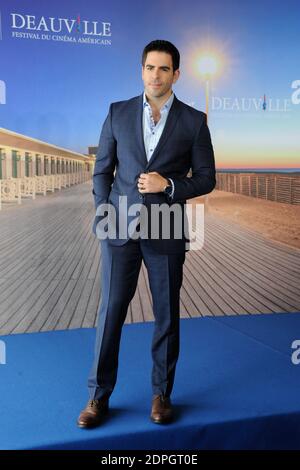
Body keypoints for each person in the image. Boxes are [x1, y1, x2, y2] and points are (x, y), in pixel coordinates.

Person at [77, 39, 216, 428]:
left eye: (164, 69)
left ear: (176, 74)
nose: (156, 75)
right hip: (119, 228)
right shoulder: (117, 112)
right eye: (150, 68)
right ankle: (97, 397)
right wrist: (105, 212)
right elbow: (102, 170)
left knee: (166, 317)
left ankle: (161, 395)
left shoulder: (193, 120)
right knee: (110, 314)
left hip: (166, 229)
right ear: (142, 71)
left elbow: (207, 178)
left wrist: (168, 185)